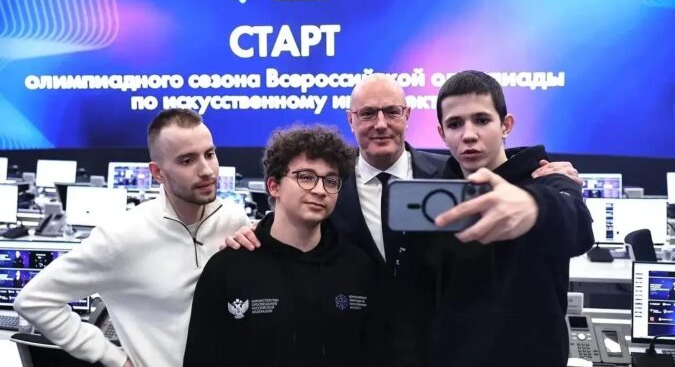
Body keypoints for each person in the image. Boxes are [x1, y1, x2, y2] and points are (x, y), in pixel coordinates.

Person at [225, 74, 582, 366]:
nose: (380, 124)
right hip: (355, 349)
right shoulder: (330, 185)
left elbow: (571, 223)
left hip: (440, 351)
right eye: (368, 113)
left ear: (407, 115)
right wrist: (260, 232)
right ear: (351, 119)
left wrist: (540, 200)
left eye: (392, 112)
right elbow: (300, 225)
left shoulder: (450, 177)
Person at [14, 109, 249, 367]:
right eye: (187, 160)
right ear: (157, 173)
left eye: (210, 154)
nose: (206, 170)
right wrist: (113, 358)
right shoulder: (121, 237)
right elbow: (34, 300)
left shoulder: (233, 218)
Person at [431, 70, 595, 367]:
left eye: (482, 120)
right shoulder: (433, 193)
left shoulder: (548, 179)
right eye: (455, 124)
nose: (469, 134)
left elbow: (579, 228)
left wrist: (535, 207)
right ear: (442, 134)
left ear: (505, 125)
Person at [183, 125, 382, 367]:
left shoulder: (359, 268)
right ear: (274, 186)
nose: (320, 190)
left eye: (331, 181)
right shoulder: (228, 268)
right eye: (306, 177)